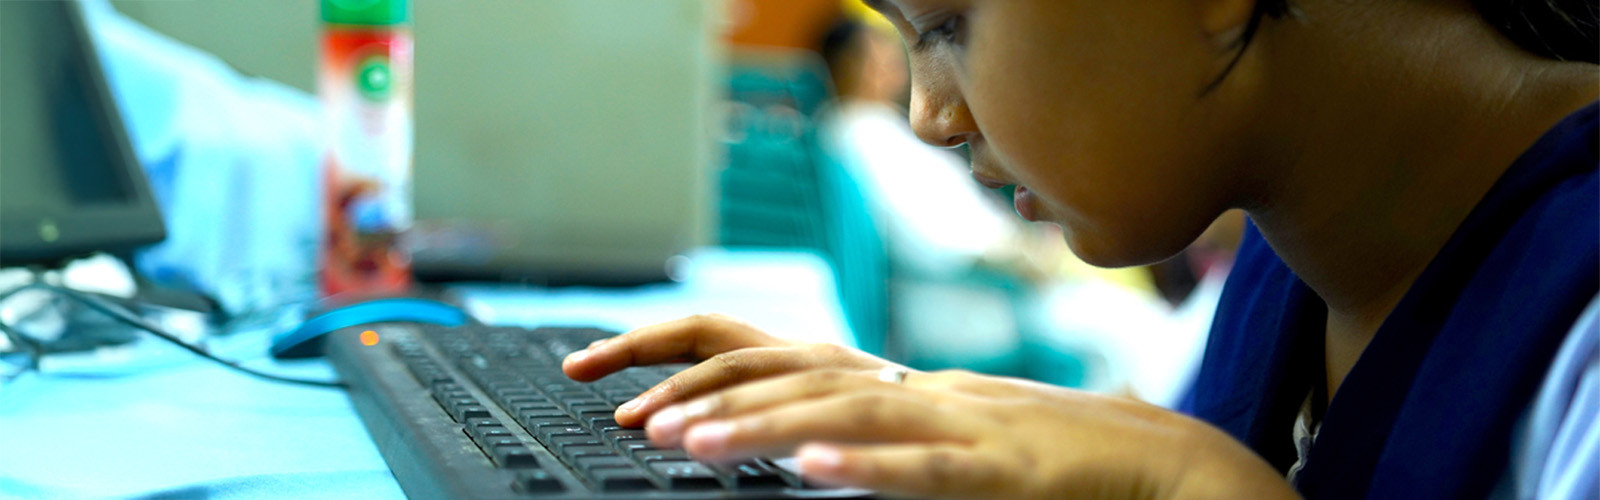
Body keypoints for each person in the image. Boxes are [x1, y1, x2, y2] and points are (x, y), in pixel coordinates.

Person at [562, 0, 1599, 498]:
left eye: (948, 23)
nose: (928, 112)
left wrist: (1204, 487)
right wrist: (925, 422)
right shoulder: (1295, 247)